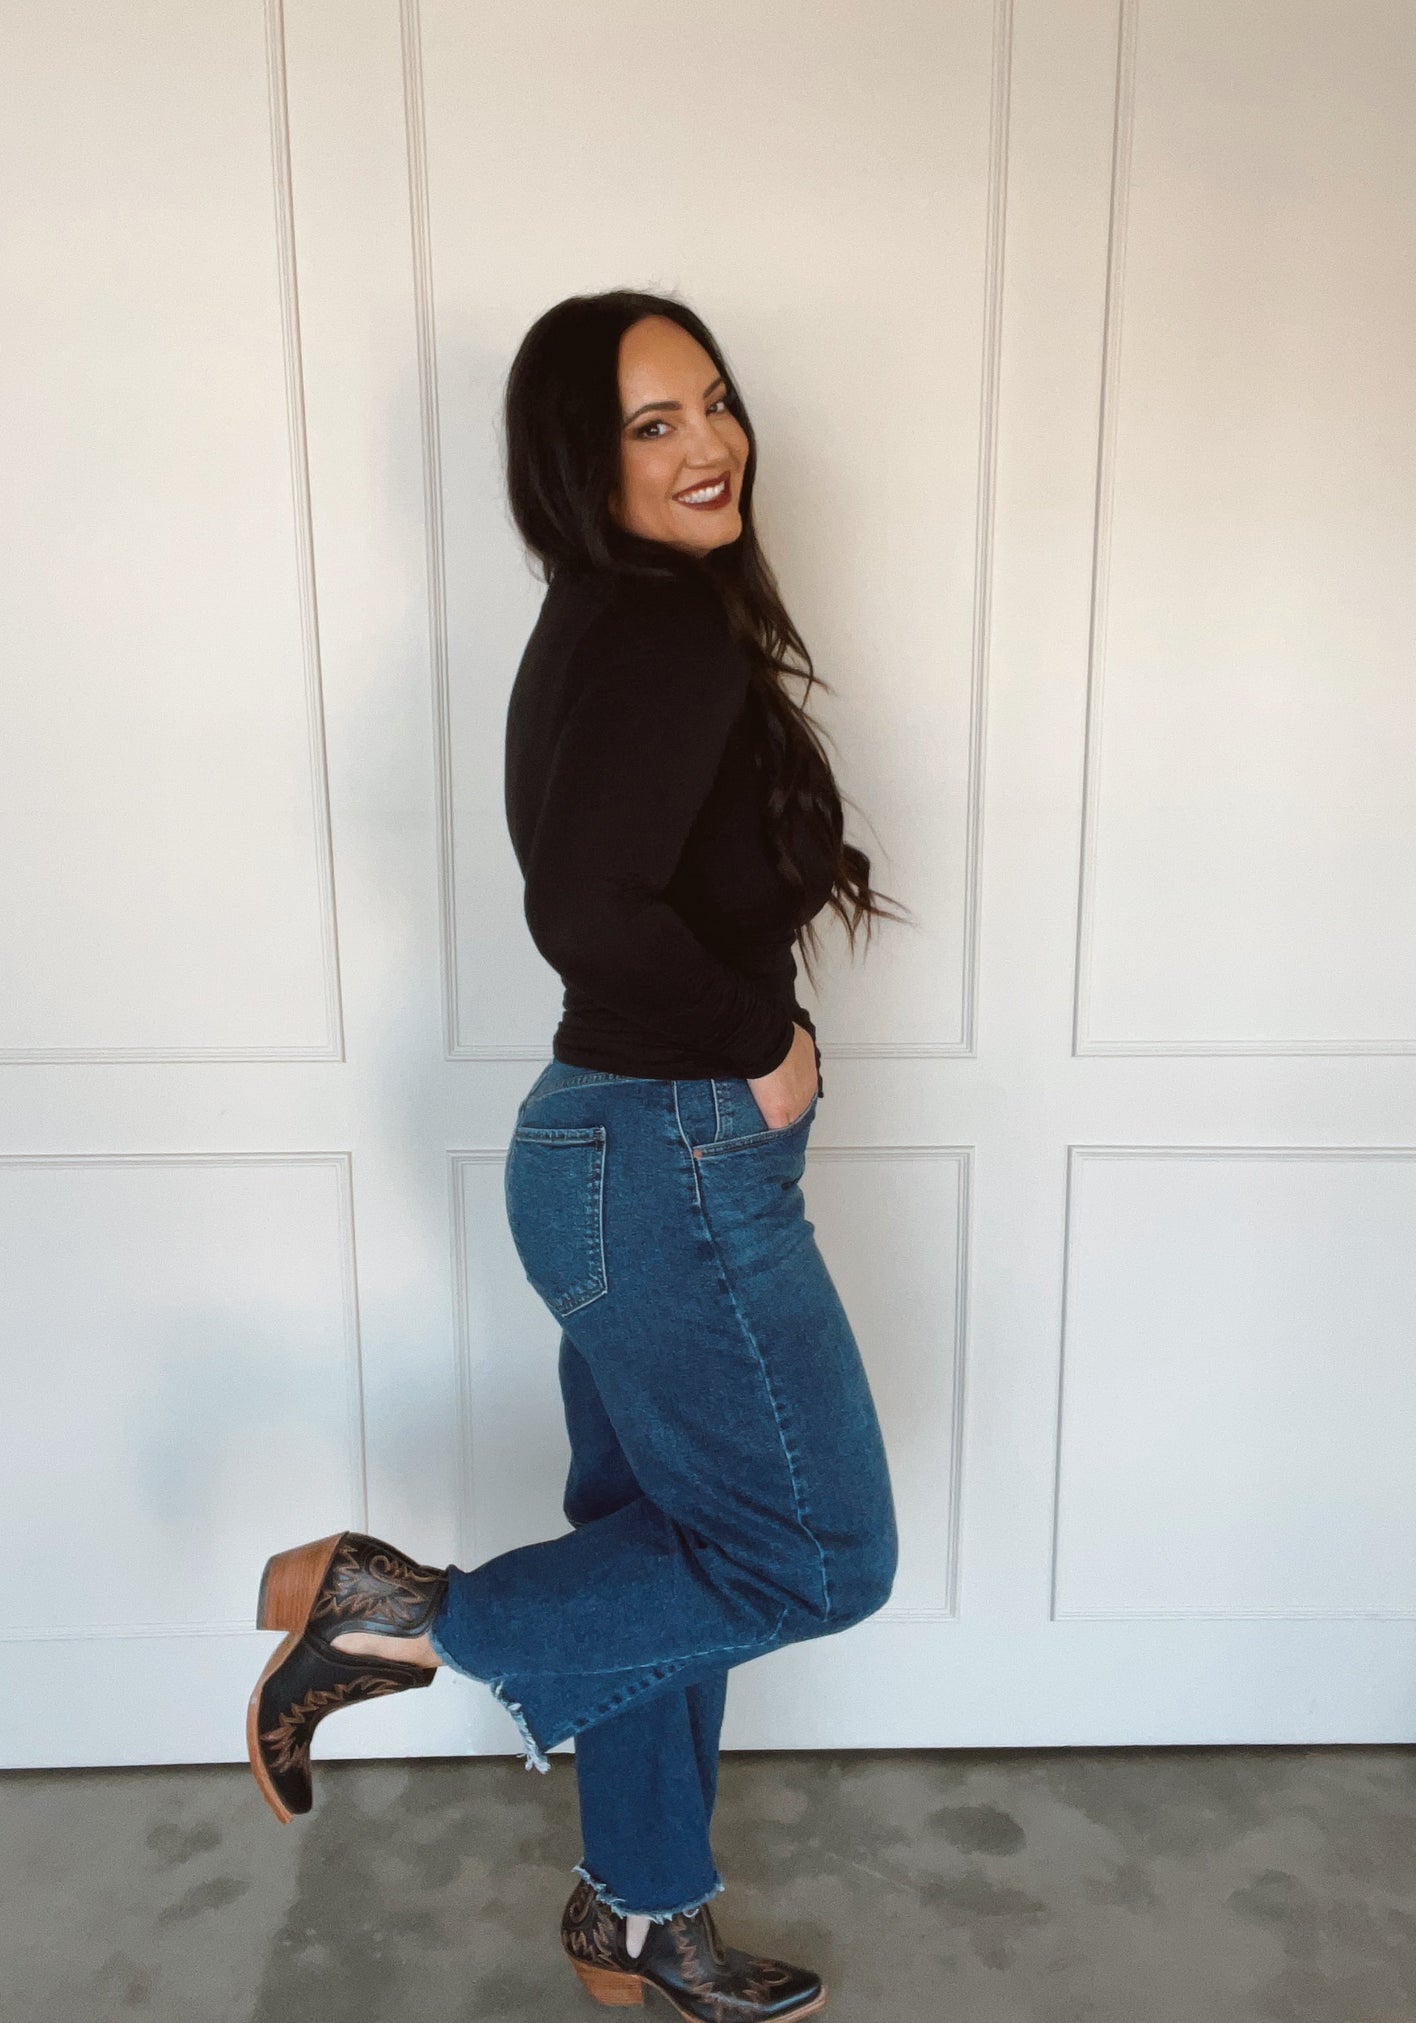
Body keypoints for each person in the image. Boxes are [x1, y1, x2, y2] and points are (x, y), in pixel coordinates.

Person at [245, 290, 912, 2020]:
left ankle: (639, 1910)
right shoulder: (663, 634)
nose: (707, 447)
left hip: (623, 1160)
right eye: (651, 425)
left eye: (711, 405)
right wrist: (759, 1041)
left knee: (663, 1557)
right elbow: (585, 905)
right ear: (578, 462)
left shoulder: (614, 621)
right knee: (811, 1561)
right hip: (667, 1161)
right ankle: (393, 1615)